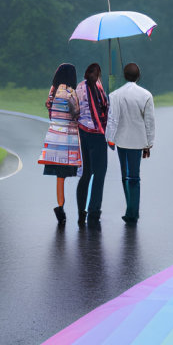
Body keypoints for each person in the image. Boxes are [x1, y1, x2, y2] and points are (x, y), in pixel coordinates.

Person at [105, 62, 155, 224]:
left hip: (121, 140)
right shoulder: (146, 95)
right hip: (138, 141)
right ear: (138, 76)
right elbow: (149, 121)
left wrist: (110, 138)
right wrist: (149, 144)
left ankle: (130, 209)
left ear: (125, 76)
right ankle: (132, 211)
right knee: (134, 176)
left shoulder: (115, 95)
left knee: (125, 175)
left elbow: (112, 119)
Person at [38, 63, 80, 224]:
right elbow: (76, 113)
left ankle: (60, 205)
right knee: (78, 172)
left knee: (59, 176)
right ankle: (81, 208)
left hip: (54, 136)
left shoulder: (53, 92)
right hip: (67, 138)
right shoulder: (71, 93)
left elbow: (49, 108)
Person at [74, 63, 110, 224]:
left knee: (86, 173)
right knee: (100, 173)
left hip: (83, 132)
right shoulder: (98, 88)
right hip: (97, 134)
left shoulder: (79, 87)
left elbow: (76, 110)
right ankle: (94, 210)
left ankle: (81, 211)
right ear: (98, 74)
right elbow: (104, 110)